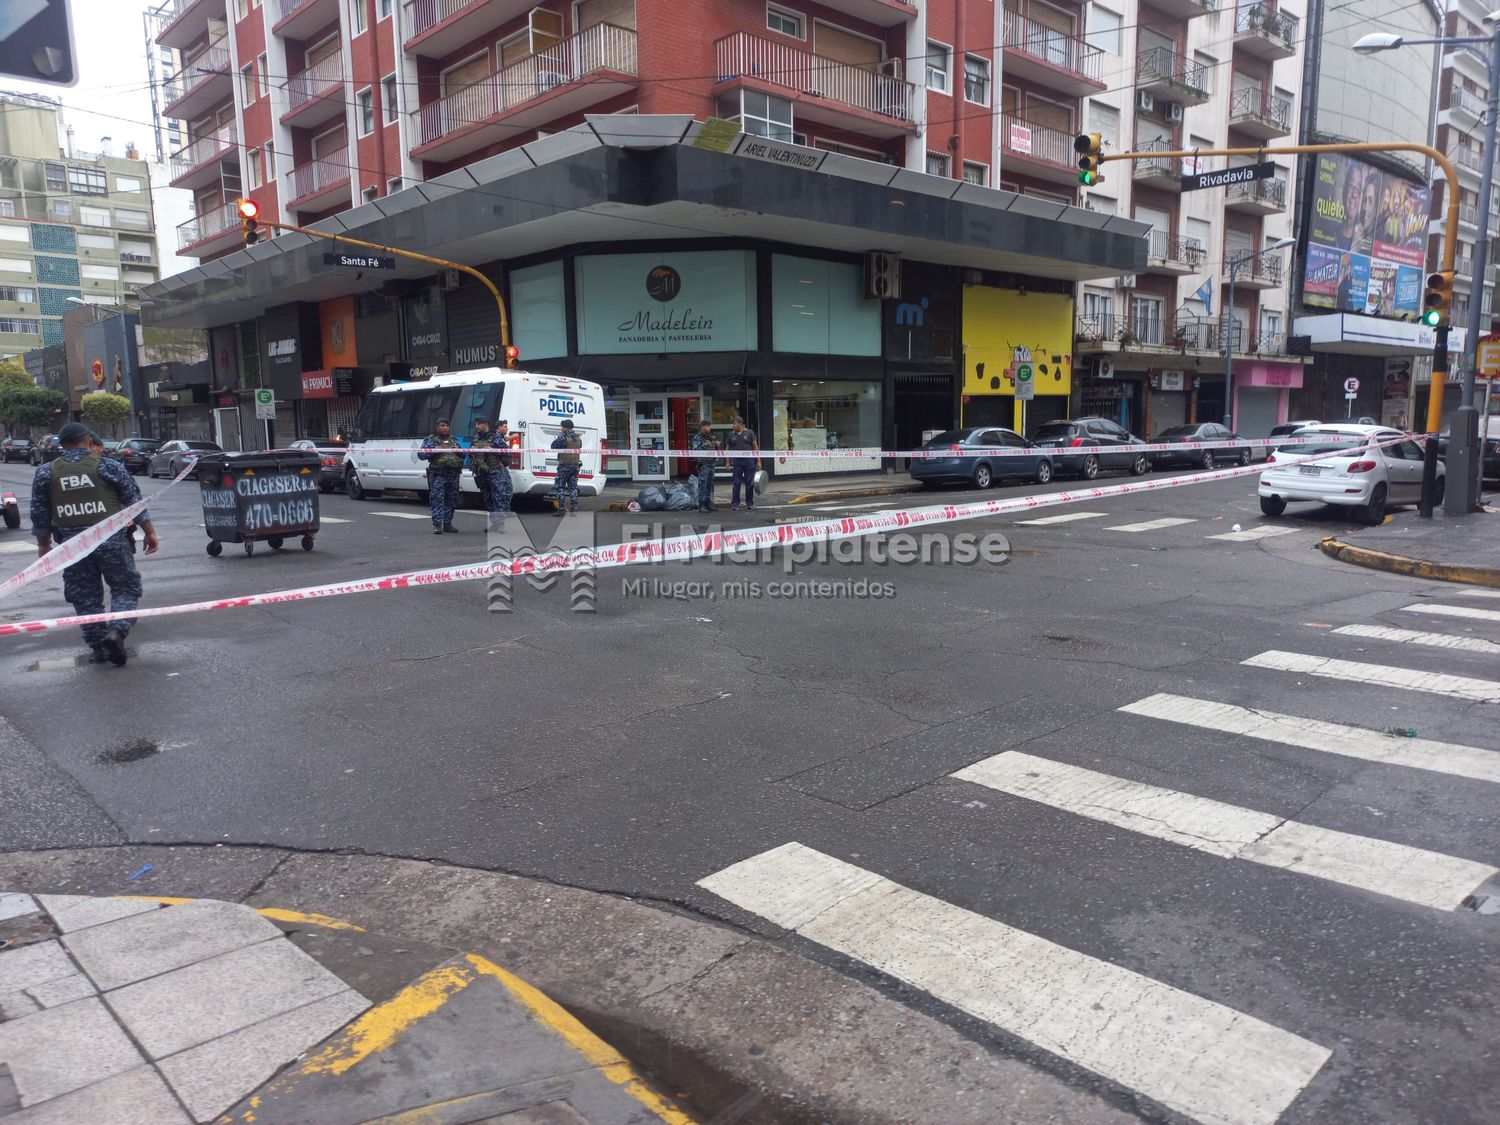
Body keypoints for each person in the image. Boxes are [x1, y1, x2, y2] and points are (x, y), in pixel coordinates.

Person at [30, 421, 160, 667]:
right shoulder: (109, 467)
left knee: (85, 598)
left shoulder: (46, 472)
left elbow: (40, 514)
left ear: (62, 444)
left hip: (74, 547)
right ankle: (117, 632)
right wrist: (149, 533)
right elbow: (134, 503)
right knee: (125, 588)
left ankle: (99, 647)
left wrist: (43, 546)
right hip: (111, 542)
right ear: (88, 439)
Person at [418, 418, 464, 534]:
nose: (445, 428)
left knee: (452, 500)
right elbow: (421, 455)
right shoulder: (431, 440)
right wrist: (434, 450)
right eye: (442, 426)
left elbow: (463, 454)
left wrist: (459, 451)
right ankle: (437, 525)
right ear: (437, 427)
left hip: (453, 475)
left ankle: (448, 524)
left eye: (447, 426)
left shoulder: (453, 440)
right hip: (439, 475)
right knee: (437, 499)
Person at [724, 415, 761, 511]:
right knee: (736, 483)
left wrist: (758, 461)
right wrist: (727, 462)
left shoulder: (749, 433)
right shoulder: (731, 435)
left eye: (735, 424)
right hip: (737, 462)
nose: (733, 425)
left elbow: (755, 447)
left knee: (749, 483)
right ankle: (735, 504)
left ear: (740, 424)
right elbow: (727, 449)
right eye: (733, 424)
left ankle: (750, 503)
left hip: (749, 461)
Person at [550, 419, 582, 516]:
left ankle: (562, 510)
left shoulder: (563, 437)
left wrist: (559, 437)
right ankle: (574, 509)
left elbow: (553, 446)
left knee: (559, 487)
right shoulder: (578, 438)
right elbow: (579, 446)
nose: (561, 428)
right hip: (575, 466)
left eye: (562, 427)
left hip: (564, 466)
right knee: (573, 488)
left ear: (566, 428)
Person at [690, 419, 721, 512]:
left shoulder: (710, 438)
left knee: (709, 485)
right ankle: (701, 505)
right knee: (702, 485)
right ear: (702, 427)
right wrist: (703, 462)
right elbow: (696, 452)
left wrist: (716, 445)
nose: (709, 428)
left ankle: (708, 504)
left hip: (711, 464)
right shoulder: (697, 438)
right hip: (704, 465)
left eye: (710, 426)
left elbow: (713, 449)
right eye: (707, 426)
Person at [470, 418, 496, 512]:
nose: (476, 426)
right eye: (475, 424)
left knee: (498, 500)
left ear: (486, 424)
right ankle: (493, 524)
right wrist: (472, 451)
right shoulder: (476, 438)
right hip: (481, 474)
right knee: (488, 501)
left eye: (479, 424)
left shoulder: (495, 437)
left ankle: (499, 525)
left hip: (494, 474)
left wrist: (492, 450)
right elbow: (470, 456)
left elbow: (506, 454)